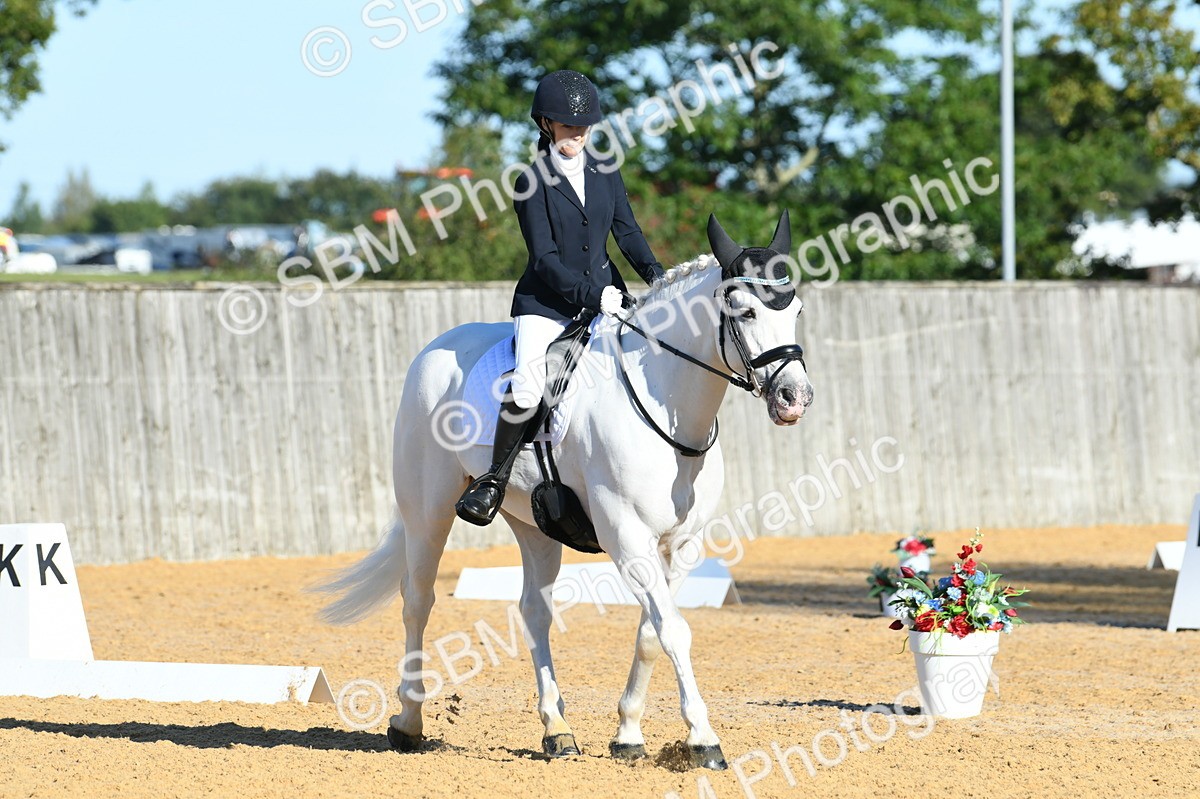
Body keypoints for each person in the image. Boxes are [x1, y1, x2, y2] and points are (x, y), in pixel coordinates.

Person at [455, 69, 666, 526]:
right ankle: (493, 478)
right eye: (569, 126)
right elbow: (545, 259)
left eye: (584, 127)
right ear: (547, 125)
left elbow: (627, 232)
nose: (578, 134)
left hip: (607, 297)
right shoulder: (531, 182)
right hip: (547, 304)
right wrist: (595, 296)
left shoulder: (605, 170)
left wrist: (657, 276)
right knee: (530, 385)